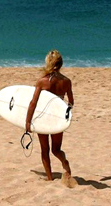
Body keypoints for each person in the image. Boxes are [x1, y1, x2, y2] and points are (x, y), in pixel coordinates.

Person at [25, 49, 74, 182]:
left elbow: (33, 103)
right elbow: (71, 102)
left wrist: (28, 122)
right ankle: (64, 161)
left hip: (43, 119)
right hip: (57, 119)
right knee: (56, 149)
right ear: (61, 64)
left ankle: (49, 178)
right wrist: (66, 117)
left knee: (45, 150)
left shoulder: (42, 81)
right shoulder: (66, 81)